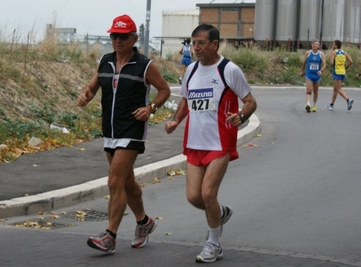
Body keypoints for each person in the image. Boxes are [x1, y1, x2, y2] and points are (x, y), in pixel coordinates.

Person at [77, 14, 171, 254]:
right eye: (114, 36)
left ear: (133, 38)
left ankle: (109, 236)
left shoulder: (145, 65)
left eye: (123, 36)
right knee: (127, 183)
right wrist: (86, 95)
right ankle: (144, 222)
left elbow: (164, 90)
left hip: (132, 131)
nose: (117, 40)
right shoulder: (105, 61)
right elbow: (92, 86)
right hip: (110, 130)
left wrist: (151, 108)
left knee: (114, 181)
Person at [165, 24, 257, 263]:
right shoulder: (192, 70)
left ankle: (213, 243)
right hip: (194, 142)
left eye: (201, 43)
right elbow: (186, 100)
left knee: (207, 193)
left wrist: (242, 116)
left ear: (214, 44)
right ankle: (221, 213)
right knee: (194, 197)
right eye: (193, 43)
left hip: (220, 143)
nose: (196, 48)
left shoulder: (229, 70)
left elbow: (250, 101)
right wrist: (175, 121)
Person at [325, 40, 354, 111]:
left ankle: (348, 100)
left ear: (336, 46)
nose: (332, 46)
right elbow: (351, 61)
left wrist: (331, 67)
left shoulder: (334, 52)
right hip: (342, 72)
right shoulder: (344, 53)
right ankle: (331, 105)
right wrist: (346, 67)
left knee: (338, 89)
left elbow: (331, 63)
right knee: (335, 89)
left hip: (336, 72)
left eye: (333, 44)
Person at [300, 40, 326, 112]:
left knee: (316, 91)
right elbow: (304, 63)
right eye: (313, 44)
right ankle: (308, 105)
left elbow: (324, 64)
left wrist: (321, 71)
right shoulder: (308, 53)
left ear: (318, 46)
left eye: (315, 44)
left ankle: (314, 105)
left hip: (317, 75)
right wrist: (302, 71)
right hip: (309, 74)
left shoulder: (321, 54)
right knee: (309, 89)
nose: (314, 45)